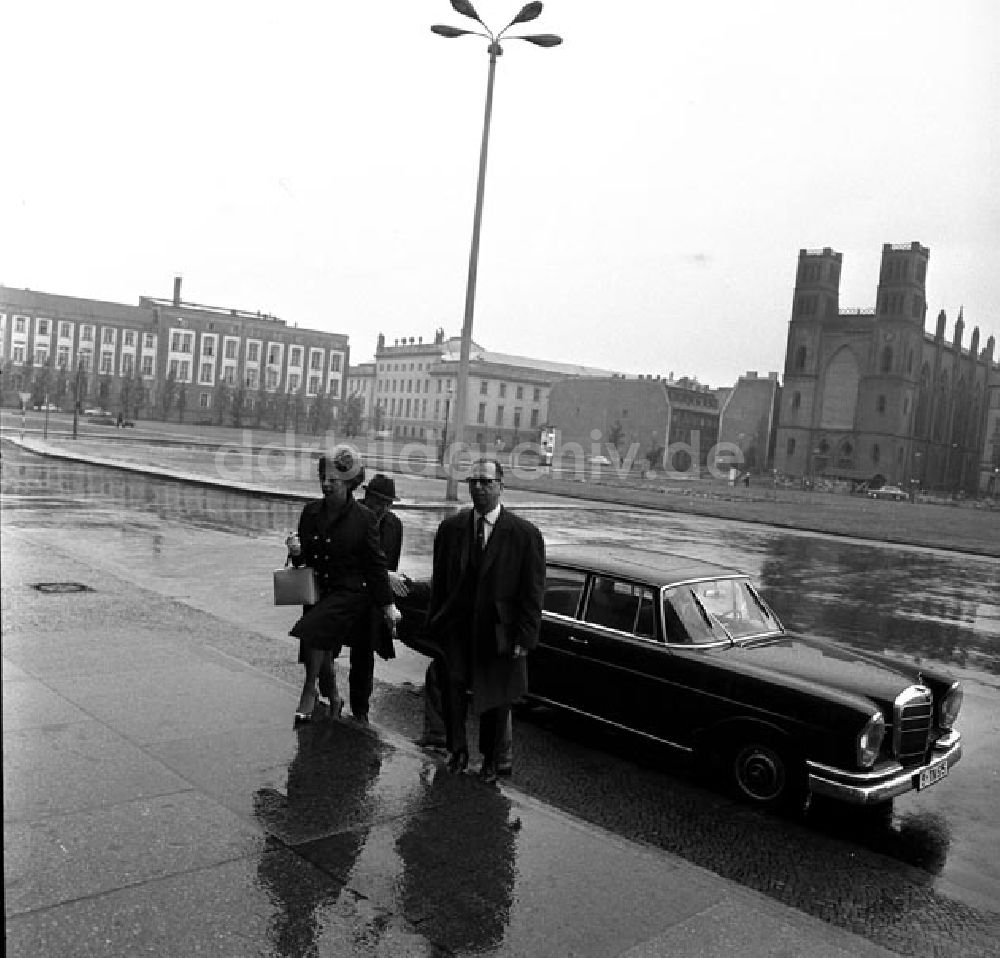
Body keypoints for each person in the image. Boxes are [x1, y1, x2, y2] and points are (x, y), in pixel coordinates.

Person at [426, 457, 545, 784]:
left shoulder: (524, 535)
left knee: (494, 700)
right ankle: (457, 751)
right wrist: (434, 624)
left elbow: (532, 593)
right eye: (473, 481)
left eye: (486, 482)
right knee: (452, 691)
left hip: (497, 631)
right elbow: (440, 579)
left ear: (501, 486)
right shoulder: (452, 529)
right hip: (457, 628)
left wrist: (524, 639)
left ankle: (491, 760)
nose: (478, 488)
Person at [286, 446, 400, 726]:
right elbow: (305, 562)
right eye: (323, 478)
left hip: (351, 594)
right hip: (318, 589)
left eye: (333, 480)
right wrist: (297, 550)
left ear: (349, 483)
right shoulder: (311, 512)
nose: (326, 484)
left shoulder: (364, 519)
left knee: (319, 634)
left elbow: (376, 564)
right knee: (318, 642)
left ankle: (311, 690)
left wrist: (388, 606)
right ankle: (333, 695)